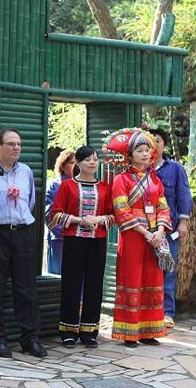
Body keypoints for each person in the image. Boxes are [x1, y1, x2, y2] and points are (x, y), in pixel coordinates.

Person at [0, 128, 46, 359]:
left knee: (26, 288)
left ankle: (30, 339)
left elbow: (30, 202)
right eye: (11, 144)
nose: (16, 148)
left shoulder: (25, 171)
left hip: (23, 232)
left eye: (19, 144)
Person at [104, 128, 172, 348]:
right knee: (132, 280)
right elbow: (121, 211)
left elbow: (163, 207)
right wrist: (145, 232)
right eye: (140, 151)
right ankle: (129, 332)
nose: (145, 154)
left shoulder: (155, 180)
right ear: (130, 155)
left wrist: (160, 231)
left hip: (154, 234)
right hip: (134, 236)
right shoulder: (121, 180)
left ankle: (148, 330)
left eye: (147, 150)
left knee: (152, 280)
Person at [50, 146, 115, 349]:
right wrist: (80, 220)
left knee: (95, 285)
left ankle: (90, 331)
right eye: (87, 159)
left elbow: (113, 216)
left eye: (95, 159)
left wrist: (99, 219)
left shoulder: (105, 187)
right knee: (71, 284)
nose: (92, 163)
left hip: (98, 241)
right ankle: (68, 331)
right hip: (74, 241)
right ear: (77, 163)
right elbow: (56, 214)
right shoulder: (67, 186)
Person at [150, 128, 193, 329]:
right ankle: (147, 310)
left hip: (169, 230)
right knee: (148, 269)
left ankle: (167, 312)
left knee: (167, 269)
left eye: (156, 140)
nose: (152, 144)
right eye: (148, 141)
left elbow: (183, 194)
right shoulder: (140, 168)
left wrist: (183, 222)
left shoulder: (175, 168)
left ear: (164, 145)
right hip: (145, 229)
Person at [44, 149, 75, 275]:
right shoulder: (55, 186)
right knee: (58, 278)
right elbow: (49, 214)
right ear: (63, 165)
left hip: (78, 239)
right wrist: (65, 232)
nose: (76, 166)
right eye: (72, 163)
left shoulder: (81, 184)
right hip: (60, 240)